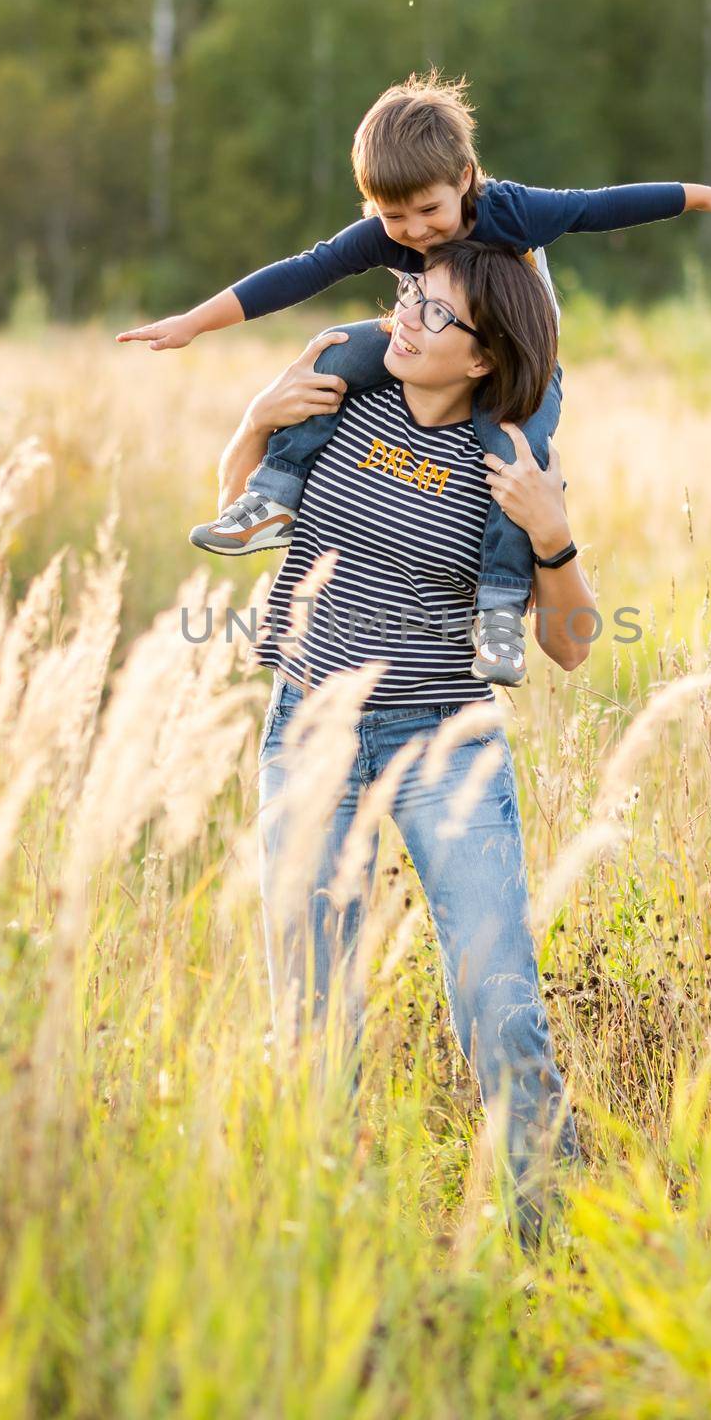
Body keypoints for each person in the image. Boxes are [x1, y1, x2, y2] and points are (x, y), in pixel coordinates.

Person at [120, 71, 711, 687]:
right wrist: (195, 323)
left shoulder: (511, 212)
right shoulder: (386, 232)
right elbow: (301, 273)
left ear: (465, 180)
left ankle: (501, 608)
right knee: (331, 353)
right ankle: (274, 496)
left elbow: (600, 208)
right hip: (430, 335)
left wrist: (705, 197)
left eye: (430, 210)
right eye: (395, 217)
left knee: (514, 462)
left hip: (517, 365)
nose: (416, 231)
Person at [220, 238, 598, 1248]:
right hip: (312, 725)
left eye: (436, 312)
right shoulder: (344, 400)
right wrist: (255, 418)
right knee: (312, 1007)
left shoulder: (511, 455)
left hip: (448, 740)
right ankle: (324, 1248)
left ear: (484, 355)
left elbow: (570, 648)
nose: (406, 319)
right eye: (407, 296)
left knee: (499, 999)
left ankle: (551, 1246)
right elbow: (238, 503)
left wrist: (553, 536)